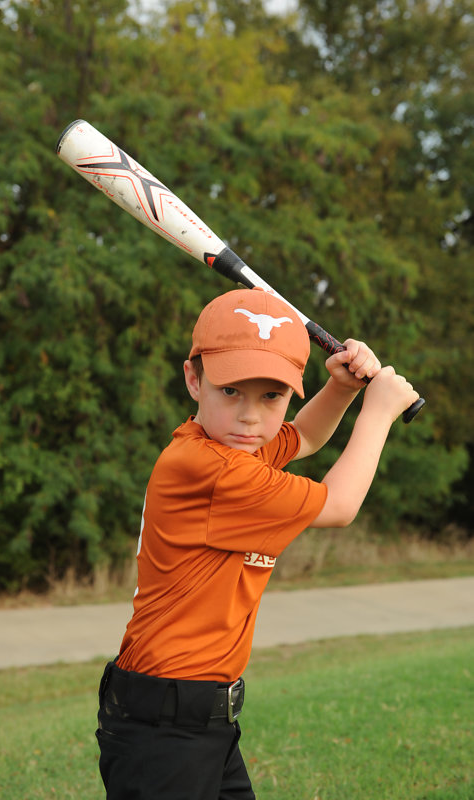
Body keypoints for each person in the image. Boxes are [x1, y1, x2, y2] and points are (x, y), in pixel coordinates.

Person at [95, 287, 419, 800]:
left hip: (201, 718)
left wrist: (342, 390)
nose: (251, 416)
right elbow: (339, 506)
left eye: (272, 396)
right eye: (231, 391)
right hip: (165, 727)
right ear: (193, 380)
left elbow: (303, 437)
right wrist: (377, 414)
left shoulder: (229, 447)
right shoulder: (211, 468)